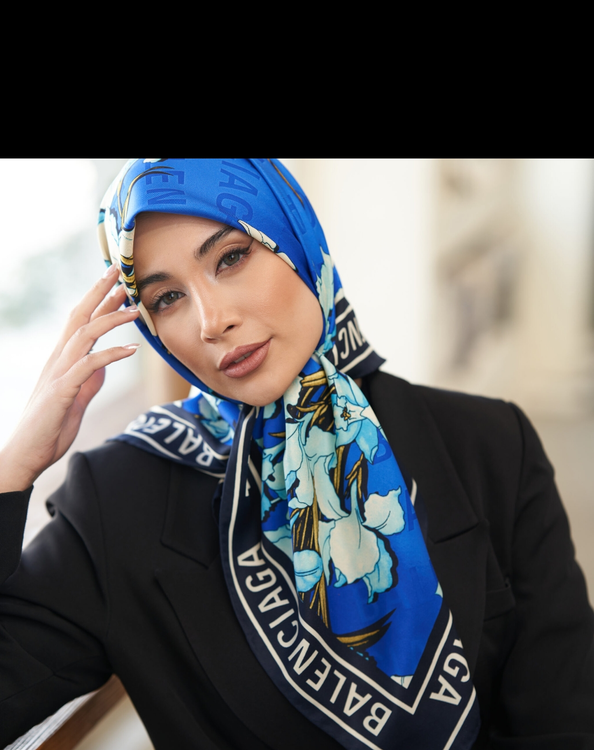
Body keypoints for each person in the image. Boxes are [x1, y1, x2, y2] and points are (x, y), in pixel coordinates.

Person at [0, 159, 593, 750]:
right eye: (167, 298)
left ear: (295, 238)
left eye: (231, 258)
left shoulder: (489, 445)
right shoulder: (119, 497)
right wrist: (14, 466)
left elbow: (564, 722)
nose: (212, 322)